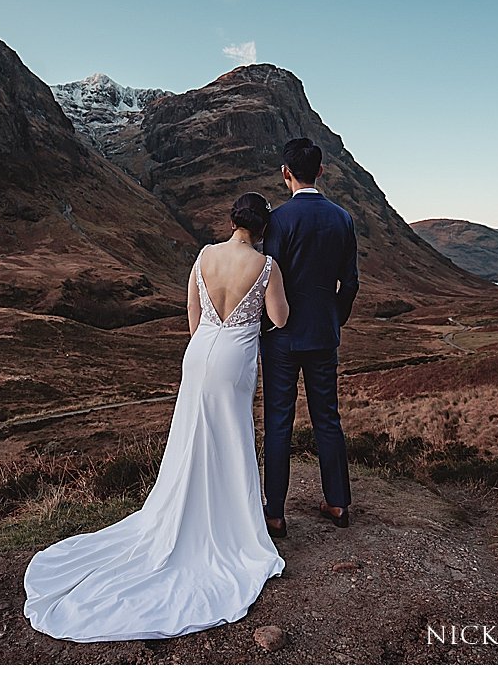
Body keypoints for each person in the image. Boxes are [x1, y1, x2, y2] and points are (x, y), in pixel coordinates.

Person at [23, 192, 290, 642]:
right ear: (263, 228)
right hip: (235, 357)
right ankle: (233, 523)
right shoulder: (265, 267)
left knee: (191, 436)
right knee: (231, 437)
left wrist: (207, 340)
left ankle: (183, 511)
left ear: (232, 221)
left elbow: (192, 312)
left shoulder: (204, 256)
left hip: (199, 351)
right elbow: (279, 318)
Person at [260, 137, 359, 538]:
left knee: (279, 421)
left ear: (286, 173)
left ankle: (275, 513)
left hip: (281, 338)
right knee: (328, 419)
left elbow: (268, 277)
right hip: (324, 334)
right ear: (320, 170)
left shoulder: (279, 221)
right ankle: (337, 502)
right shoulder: (343, 218)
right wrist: (335, 319)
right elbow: (350, 282)